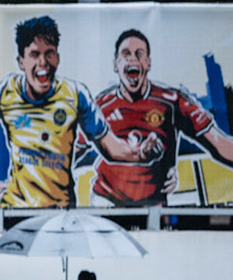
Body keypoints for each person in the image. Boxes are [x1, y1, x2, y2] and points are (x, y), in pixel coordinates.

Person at [0, 14, 154, 210]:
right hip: (16, 211)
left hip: (60, 212)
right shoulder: (7, 91)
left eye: (49, 53)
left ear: (58, 57)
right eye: (35, 54)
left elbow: (110, 146)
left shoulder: (76, 95)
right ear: (21, 61)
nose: (43, 62)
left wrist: (140, 153)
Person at [92, 29, 233, 208]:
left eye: (139, 54)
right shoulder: (100, 105)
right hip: (106, 200)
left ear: (148, 63)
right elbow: (73, 146)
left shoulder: (173, 101)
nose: (133, 59)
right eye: (126, 54)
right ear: (115, 64)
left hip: (154, 206)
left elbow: (218, 144)